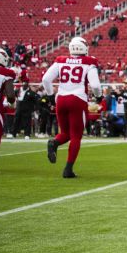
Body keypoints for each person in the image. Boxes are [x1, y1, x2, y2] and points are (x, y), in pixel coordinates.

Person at [41, 36, 101, 178]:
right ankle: (68, 169)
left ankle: (54, 142)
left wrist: (50, 95)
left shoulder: (61, 60)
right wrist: (99, 97)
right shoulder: (89, 62)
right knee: (76, 136)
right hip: (77, 100)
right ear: (84, 48)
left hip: (61, 99)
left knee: (65, 133)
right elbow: (96, 85)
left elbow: (45, 79)